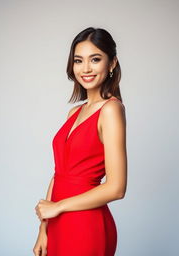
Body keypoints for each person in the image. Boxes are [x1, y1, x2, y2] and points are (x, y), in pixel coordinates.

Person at [33, 27, 127, 256]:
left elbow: (117, 188)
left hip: (86, 223)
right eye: (78, 60)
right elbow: (59, 174)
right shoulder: (74, 113)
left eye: (95, 59)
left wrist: (58, 207)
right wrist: (43, 228)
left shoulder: (111, 110)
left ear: (112, 63)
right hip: (57, 222)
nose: (85, 68)